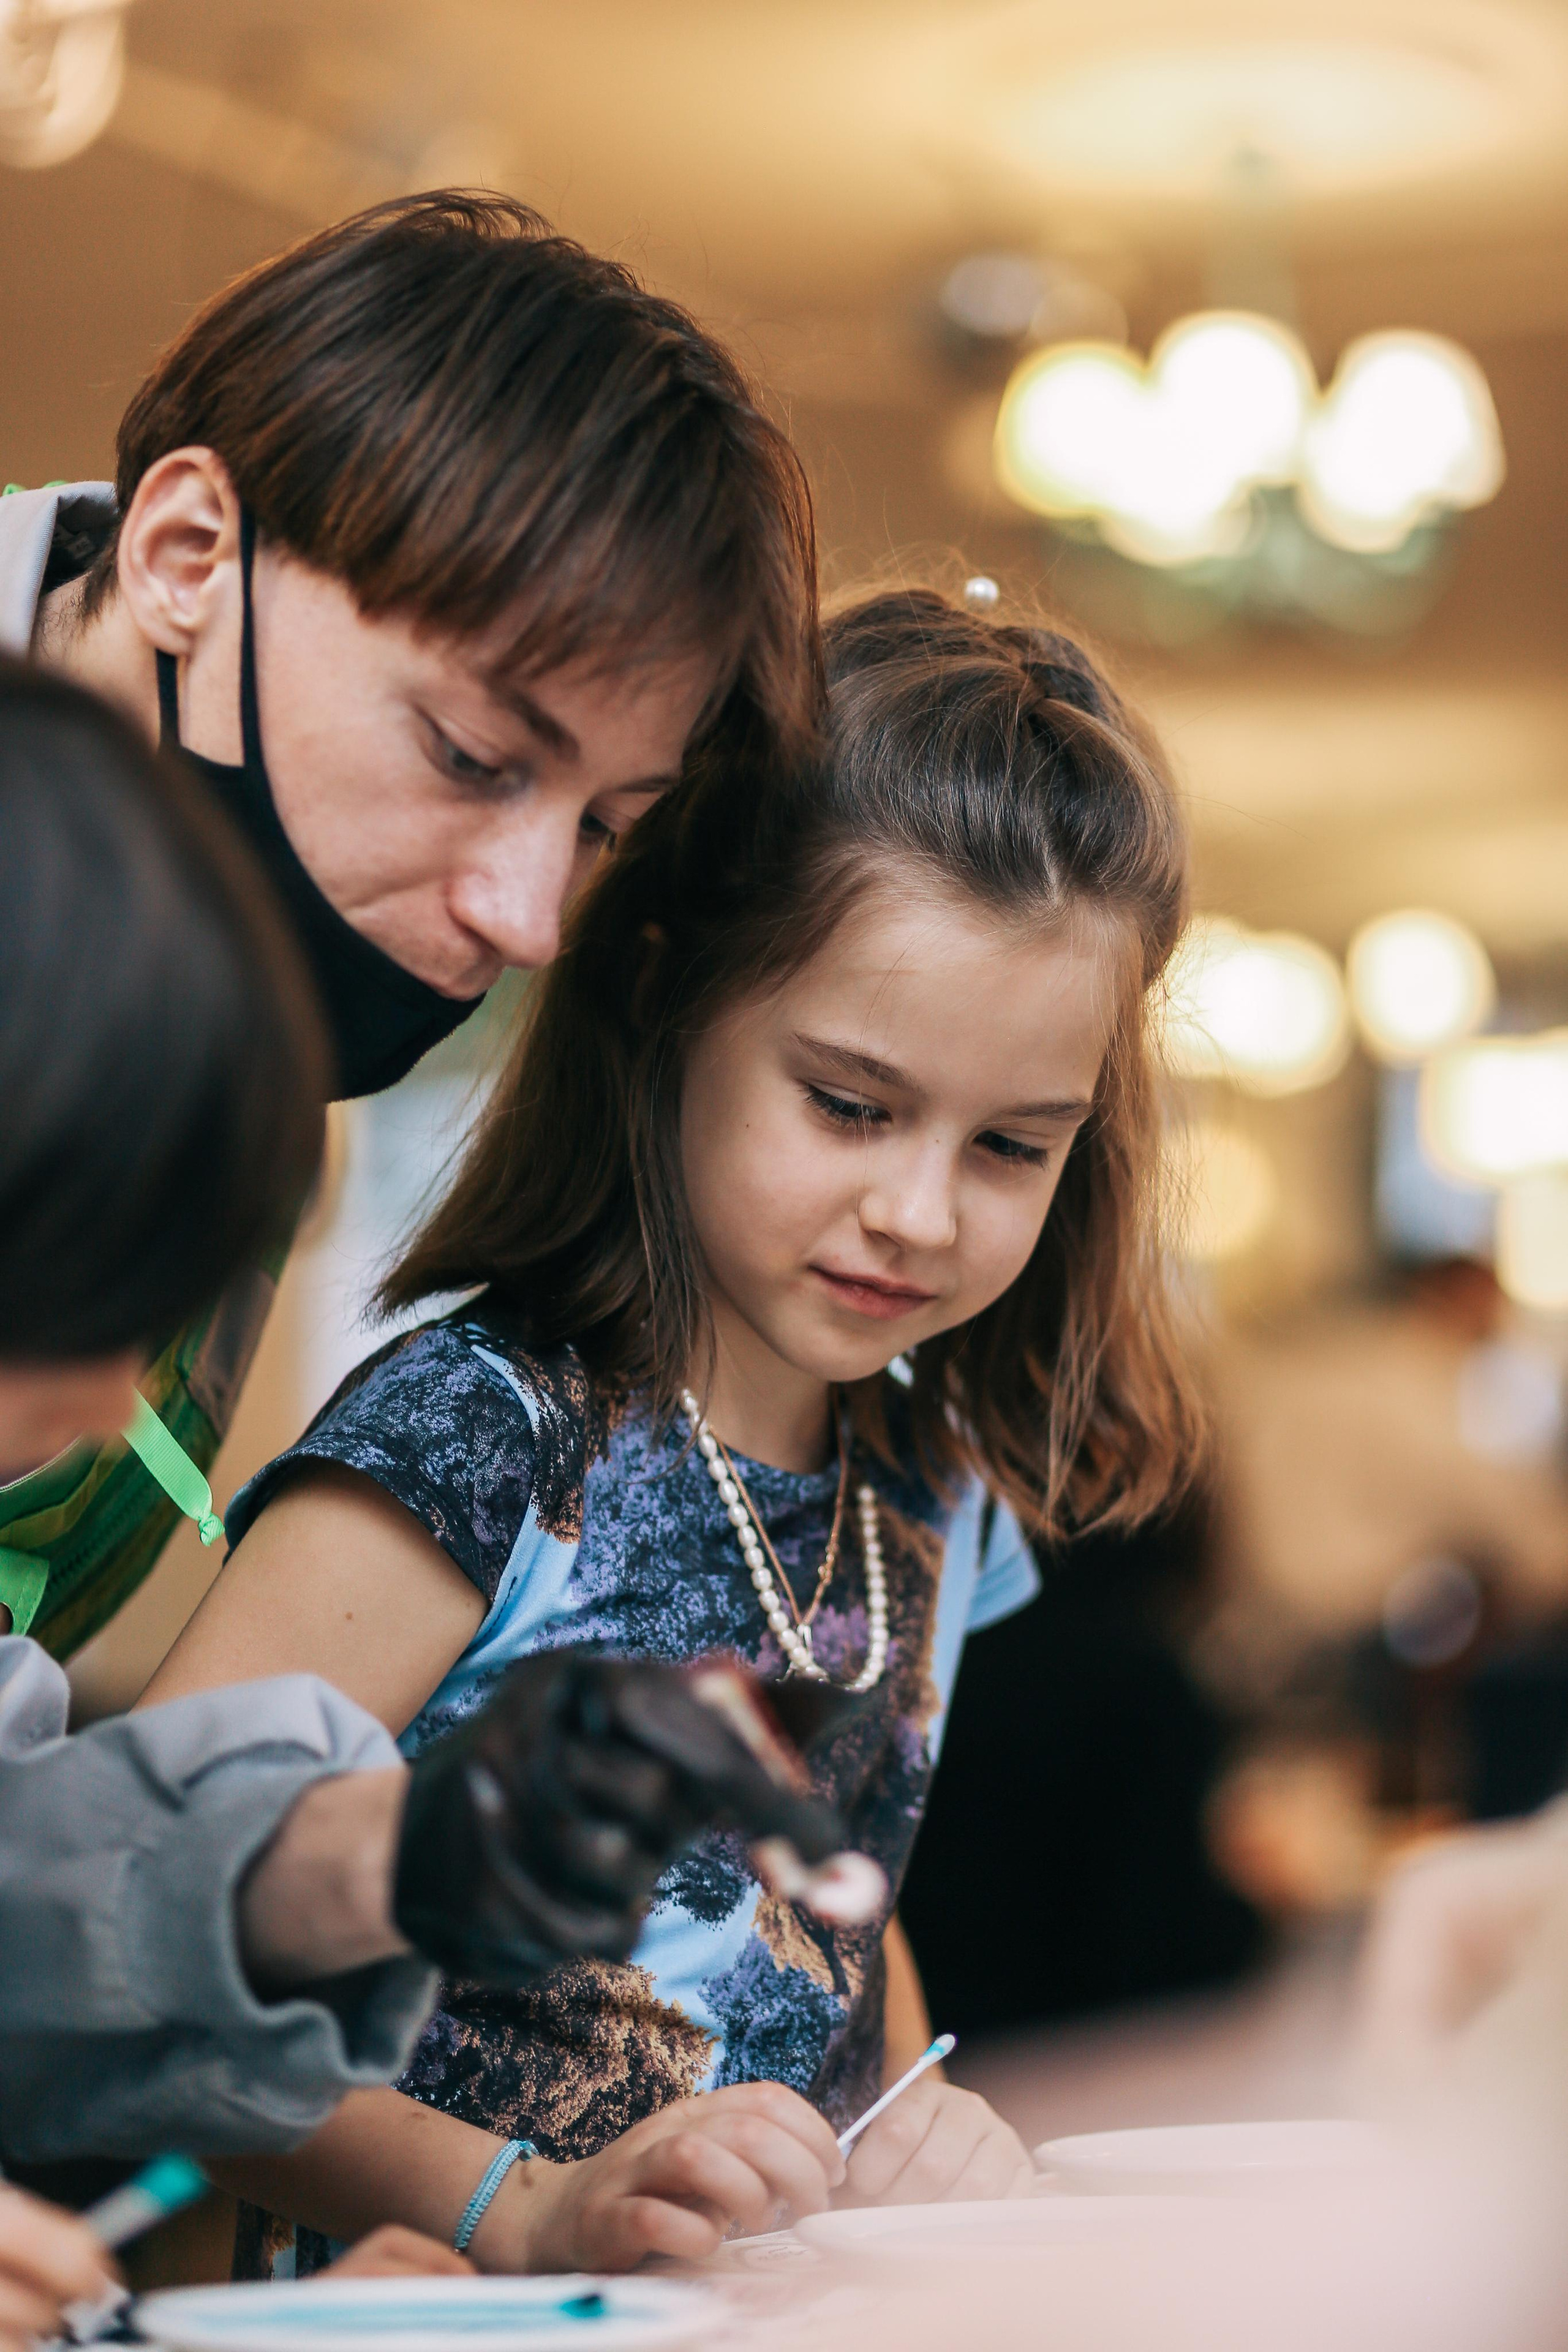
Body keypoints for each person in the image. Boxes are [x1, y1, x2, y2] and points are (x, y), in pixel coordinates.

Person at [143, 582, 1206, 2271]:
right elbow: (138, 1959)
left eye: (1013, 1144)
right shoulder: (473, 1445)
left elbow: (835, 1924)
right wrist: (519, 2199)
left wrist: (909, 2126)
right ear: (663, 994)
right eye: (851, 1105)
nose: (920, 1211)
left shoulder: (932, 1488)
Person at [0, 660, 850, 2204]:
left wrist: (399, 1852)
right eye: (59, 1307)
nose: (101, 1415)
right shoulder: (483, 1424)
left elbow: (20, 1910)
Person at [0, 187, 818, 1657]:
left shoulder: (256, 1056)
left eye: (597, 827)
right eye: (466, 757)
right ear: (189, 556)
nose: (525, 921)